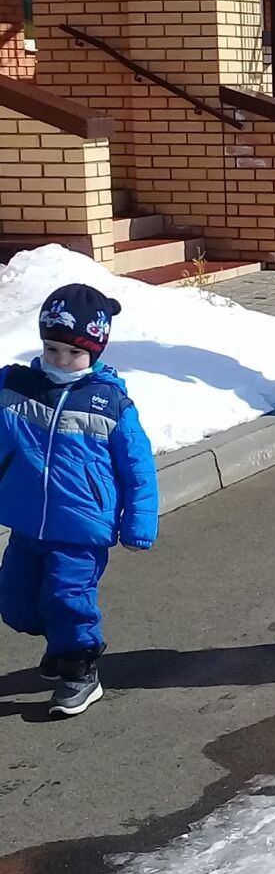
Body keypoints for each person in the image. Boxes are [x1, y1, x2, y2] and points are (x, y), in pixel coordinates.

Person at [0, 285, 158, 717]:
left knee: (70, 598)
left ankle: (80, 670)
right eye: (52, 349)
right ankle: (61, 640)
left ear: (95, 351)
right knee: (13, 603)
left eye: (73, 353)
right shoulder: (16, 386)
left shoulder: (110, 403)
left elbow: (138, 468)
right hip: (27, 523)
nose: (60, 361)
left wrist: (139, 524)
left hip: (82, 526)